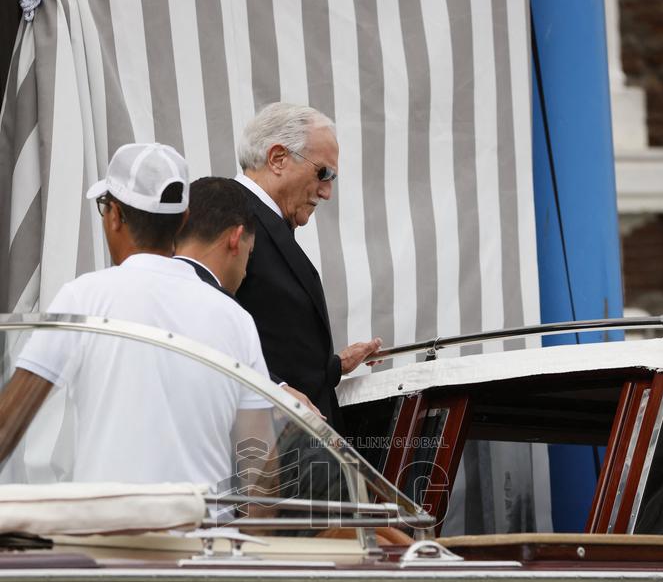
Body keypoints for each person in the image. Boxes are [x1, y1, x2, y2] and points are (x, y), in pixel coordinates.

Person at [0, 143, 272, 485]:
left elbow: (7, 424)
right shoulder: (236, 319)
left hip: (110, 534)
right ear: (183, 220)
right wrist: (238, 538)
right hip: (205, 534)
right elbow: (262, 468)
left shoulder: (83, 298)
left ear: (114, 215)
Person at [234, 102, 382, 432]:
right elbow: (199, 325)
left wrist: (333, 365)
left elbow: (270, 339)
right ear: (277, 159)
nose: (327, 191)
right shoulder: (226, 209)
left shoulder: (261, 217)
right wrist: (274, 390)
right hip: (263, 451)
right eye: (323, 173)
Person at [173, 176, 320, 416]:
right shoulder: (226, 311)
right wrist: (278, 392)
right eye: (249, 254)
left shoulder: (130, 286)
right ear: (235, 238)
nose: (243, 272)